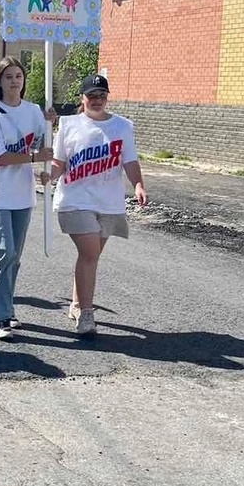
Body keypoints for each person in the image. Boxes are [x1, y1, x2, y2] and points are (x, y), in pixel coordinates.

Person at [49, 74, 148, 337]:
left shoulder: (122, 127)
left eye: (101, 95)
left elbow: (130, 160)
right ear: (82, 98)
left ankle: (76, 303)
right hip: (75, 199)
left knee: (90, 257)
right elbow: (59, 161)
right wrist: (50, 174)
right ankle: (86, 315)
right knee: (90, 253)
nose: (96, 100)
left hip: (109, 202)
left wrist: (138, 184)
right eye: (91, 96)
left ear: (107, 97)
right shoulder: (69, 125)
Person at [0, 57, 54, 341]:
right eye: (8, 76)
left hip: (23, 194)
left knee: (15, 257)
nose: (14, 81)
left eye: (18, 75)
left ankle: (7, 309)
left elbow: (48, 145)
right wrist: (35, 157)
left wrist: (52, 124)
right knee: (4, 252)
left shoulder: (34, 112)